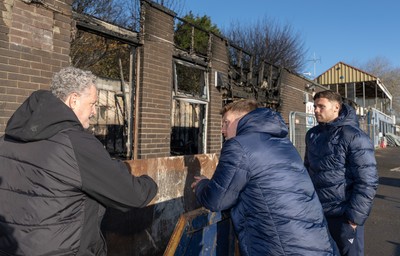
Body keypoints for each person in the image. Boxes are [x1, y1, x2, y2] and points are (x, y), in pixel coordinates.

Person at [0, 67, 158, 255]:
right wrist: (151, 183)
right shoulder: (77, 144)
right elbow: (133, 195)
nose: (93, 112)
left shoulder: (6, 139)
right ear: (73, 100)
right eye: (92, 103)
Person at [191, 99, 339, 256]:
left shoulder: (239, 146)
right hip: (317, 242)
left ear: (243, 120)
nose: (222, 130)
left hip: (281, 247)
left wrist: (202, 185)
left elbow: (217, 200)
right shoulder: (284, 145)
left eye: (226, 123)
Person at [304, 90, 379, 256]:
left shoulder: (354, 136)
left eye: (321, 106)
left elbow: (367, 181)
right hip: (318, 214)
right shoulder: (312, 135)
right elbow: (308, 172)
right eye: (315, 106)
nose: (316, 110)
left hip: (344, 216)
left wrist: (354, 219)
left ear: (336, 107)